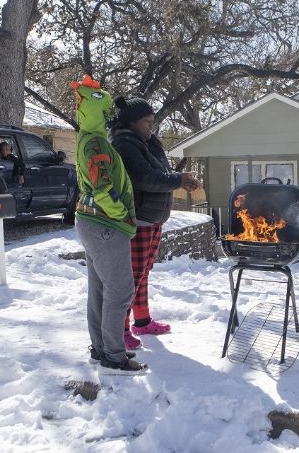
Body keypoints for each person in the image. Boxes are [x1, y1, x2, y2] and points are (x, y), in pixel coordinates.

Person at [109, 95, 201, 350]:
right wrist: (178, 180)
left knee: (143, 274)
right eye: (147, 121)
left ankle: (142, 320)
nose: (152, 126)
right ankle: (121, 328)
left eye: (153, 121)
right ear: (132, 122)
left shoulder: (147, 142)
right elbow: (145, 179)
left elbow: (161, 174)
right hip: (137, 219)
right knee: (131, 277)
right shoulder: (124, 144)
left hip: (153, 218)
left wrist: (179, 178)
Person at [70, 75, 147, 375]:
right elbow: (103, 187)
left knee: (100, 289)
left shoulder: (86, 138)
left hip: (90, 222)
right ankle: (114, 357)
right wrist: (122, 215)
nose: (109, 114)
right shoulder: (96, 143)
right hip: (105, 224)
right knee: (120, 290)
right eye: (103, 108)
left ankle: (102, 348)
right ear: (94, 110)